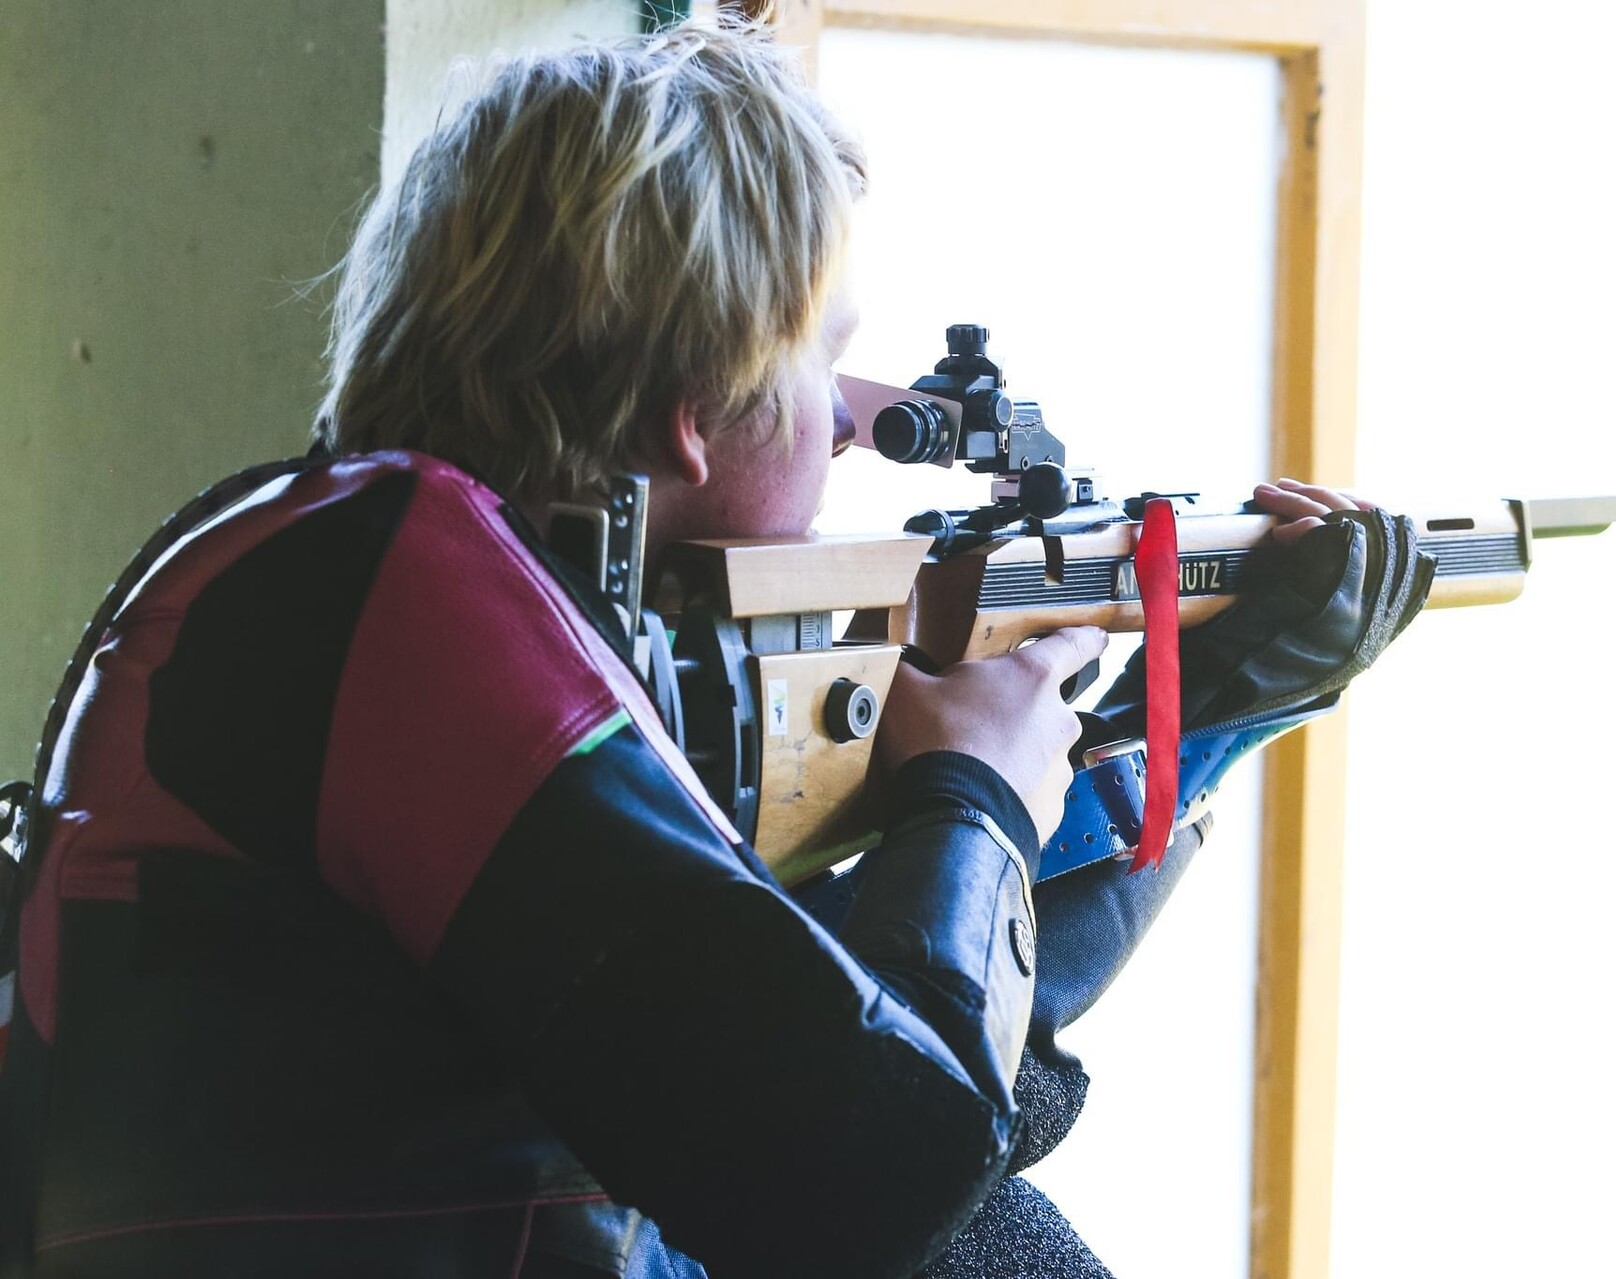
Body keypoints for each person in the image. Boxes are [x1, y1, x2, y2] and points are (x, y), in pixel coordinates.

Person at [0, 19, 1425, 1279]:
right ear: (697, 407)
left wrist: (1200, 716)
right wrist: (972, 795)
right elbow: (871, 1166)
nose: (854, 419)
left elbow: (892, 1042)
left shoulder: (385, 578)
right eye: (822, 355)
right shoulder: (401, 586)